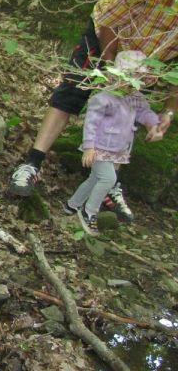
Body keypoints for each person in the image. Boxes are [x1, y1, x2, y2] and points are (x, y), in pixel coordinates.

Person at [8, 0, 178, 221]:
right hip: (106, 36)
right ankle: (32, 163)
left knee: (126, 115)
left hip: (148, 60)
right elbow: (109, 18)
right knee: (71, 92)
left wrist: (167, 113)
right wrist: (110, 65)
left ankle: (109, 185)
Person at [63, 50, 162, 234]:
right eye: (129, 76)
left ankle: (73, 204)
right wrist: (89, 147)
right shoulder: (104, 98)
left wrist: (154, 126)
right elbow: (91, 123)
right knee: (108, 178)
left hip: (117, 148)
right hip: (99, 147)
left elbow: (145, 112)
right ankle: (89, 211)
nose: (132, 82)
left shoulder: (135, 97)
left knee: (95, 179)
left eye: (138, 78)